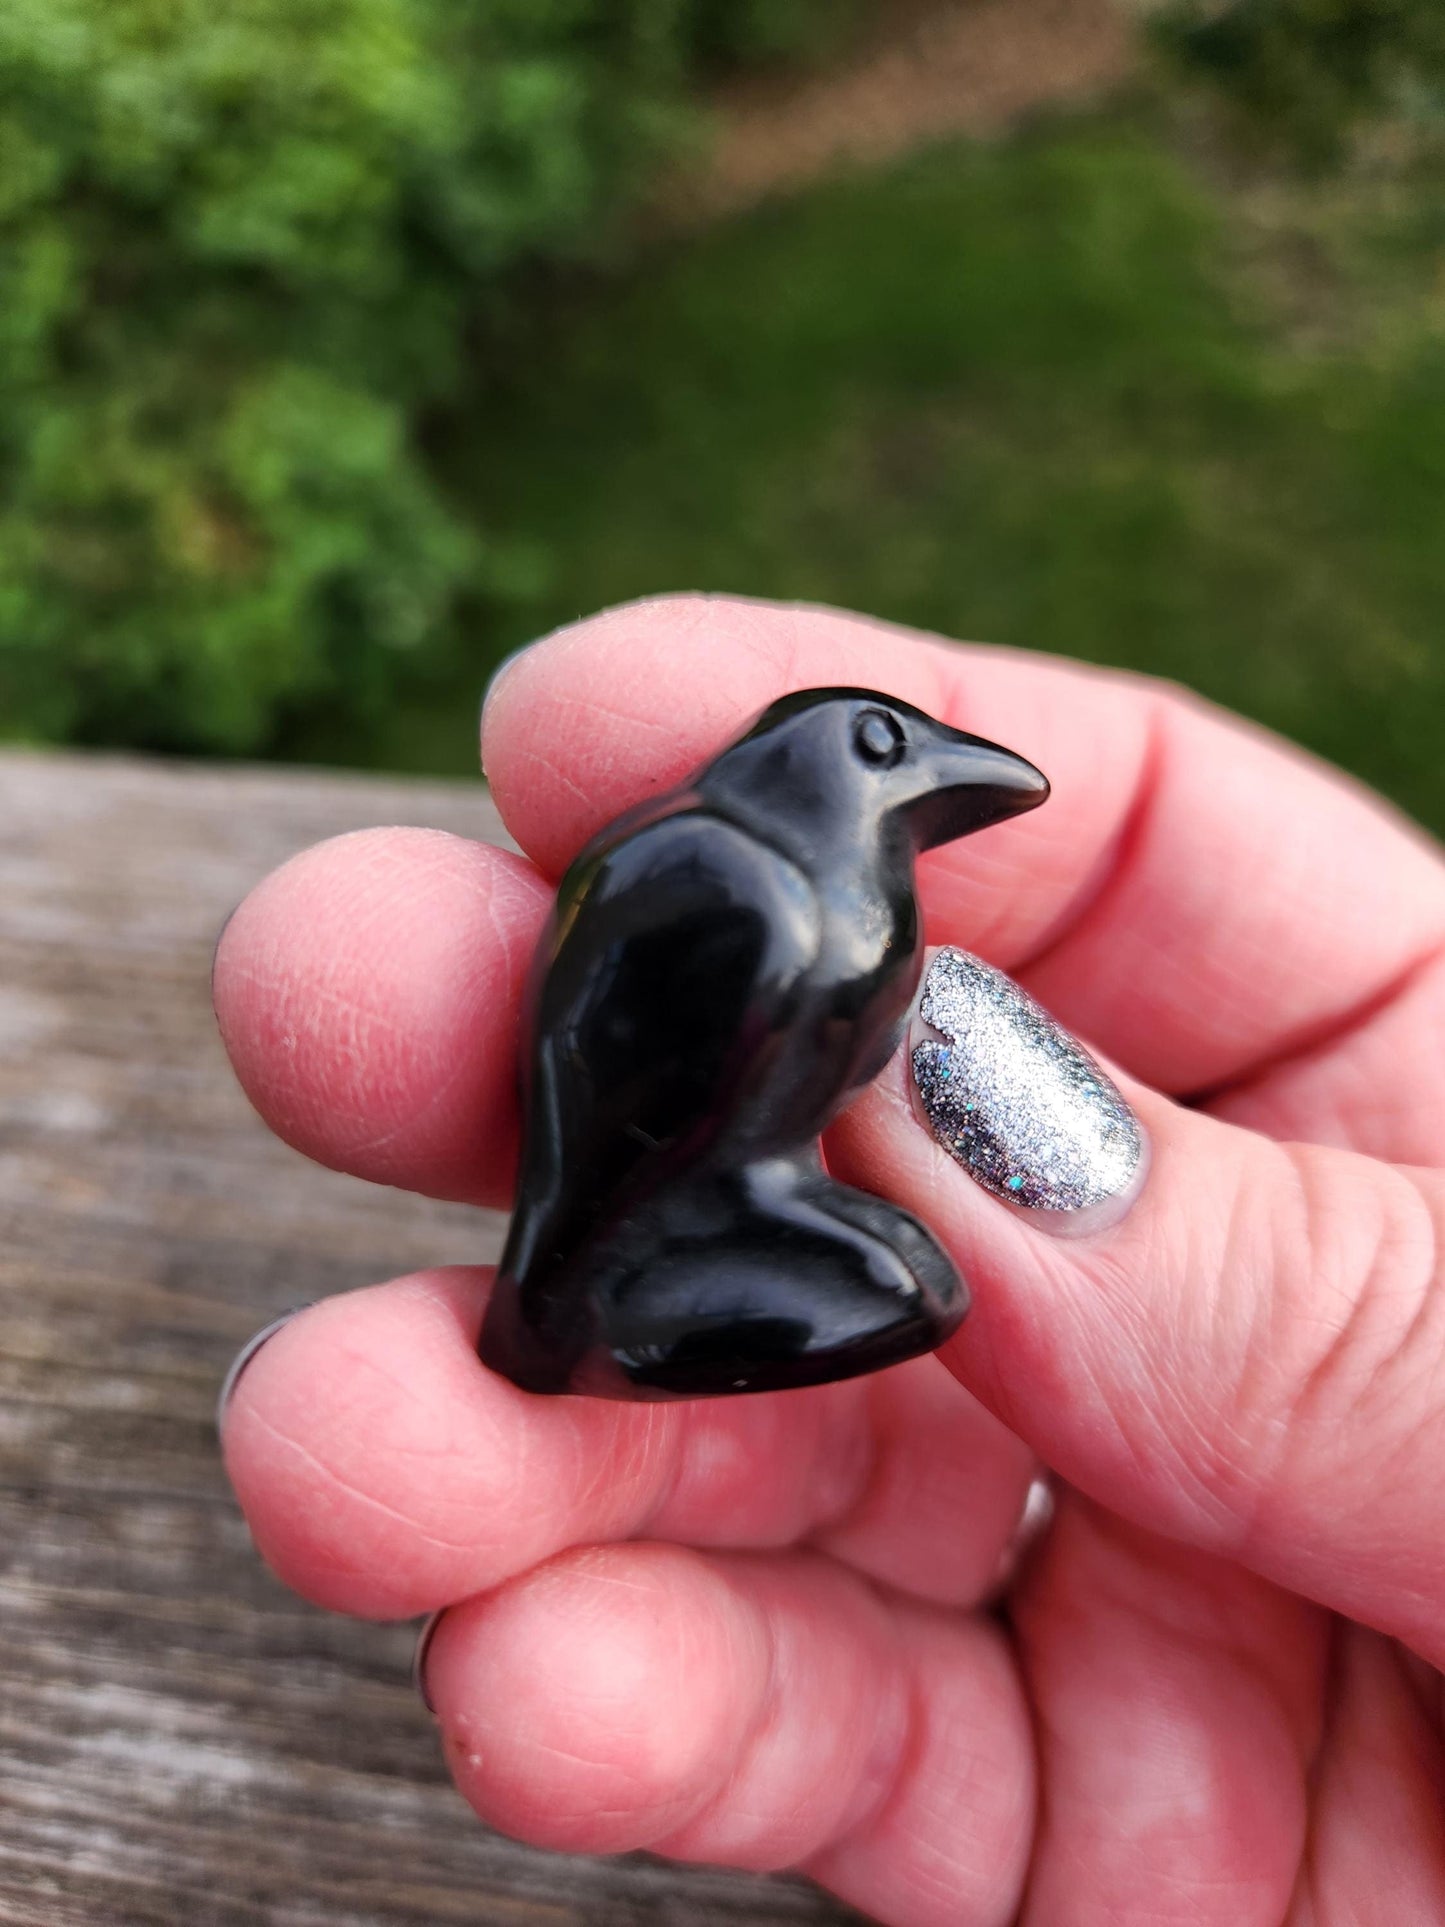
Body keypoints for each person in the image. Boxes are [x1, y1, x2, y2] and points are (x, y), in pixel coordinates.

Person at [213, 595, 1445, 1927]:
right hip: (648, 1214)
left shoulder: (839, 888)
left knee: (899, 1281)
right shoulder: (721, 875)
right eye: (884, 750)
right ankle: (587, 1304)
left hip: (733, 1202)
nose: (931, 776)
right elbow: (645, 1103)